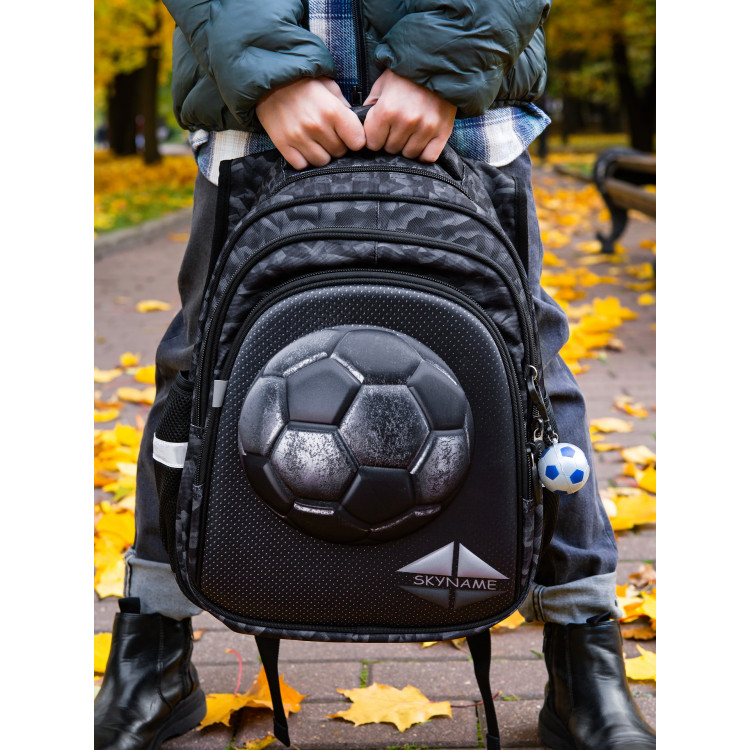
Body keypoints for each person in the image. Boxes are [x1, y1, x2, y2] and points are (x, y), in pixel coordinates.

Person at [94, 2, 657, 749]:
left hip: (461, 107)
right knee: (199, 369)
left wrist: (439, 65)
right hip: (256, 112)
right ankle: (153, 652)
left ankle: (584, 651)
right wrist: (270, 73)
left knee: (531, 371)